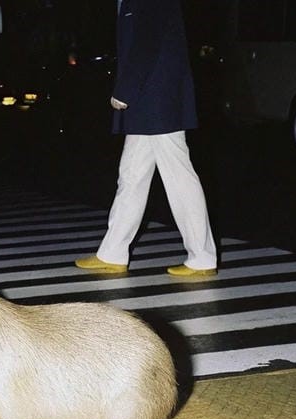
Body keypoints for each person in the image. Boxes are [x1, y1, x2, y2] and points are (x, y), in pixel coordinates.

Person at [75, 0, 217, 277]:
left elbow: (147, 43)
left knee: (178, 178)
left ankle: (202, 256)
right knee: (131, 177)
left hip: (157, 102)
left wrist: (125, 89)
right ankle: (113, 252)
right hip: (150, 102)